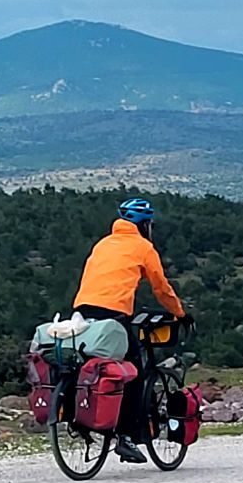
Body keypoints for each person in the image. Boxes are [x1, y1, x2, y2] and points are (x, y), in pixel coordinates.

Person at [73, 197, 188, 461]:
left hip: (82, 312)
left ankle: (83, 415)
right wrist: (180, 313)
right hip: (114, 313)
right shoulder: (143, 247)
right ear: (144, 225)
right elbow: (161, 288)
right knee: (133, 371)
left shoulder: (103, 244)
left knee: (91, 364)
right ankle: (124, 437)